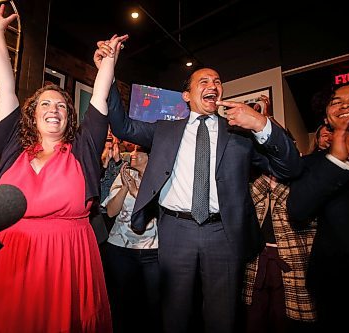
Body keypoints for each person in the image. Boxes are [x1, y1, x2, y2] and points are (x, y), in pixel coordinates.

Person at [95, 43, 302, 332]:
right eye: (203, 81)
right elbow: (123, 127)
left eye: (217, 81)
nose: (213, 85)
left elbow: (290, 168)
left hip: (224, 233)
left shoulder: (240, 134)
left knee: (222, 315)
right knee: (175, 313)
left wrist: (260, 123)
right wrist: (108, 70)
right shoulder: (165, 130)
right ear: (187, 95)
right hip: (176, 231)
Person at [0, 6, 128, 332]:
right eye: (46, 103)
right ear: (32, 113)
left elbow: (99, 97)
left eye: (61, 105)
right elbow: (6, 84)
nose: (54, 109)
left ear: (70, 117)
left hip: (68, 259)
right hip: (11, 259)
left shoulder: (83, 150)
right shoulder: (13, 144)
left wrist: (110, 60)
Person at [287, 80, 349, 332]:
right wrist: (336, 160)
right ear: (327, 117)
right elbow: (298, 210)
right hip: (338, 284)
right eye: (337, 102)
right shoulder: (313, 164)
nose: (346, 105)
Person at [243, 171, 317, 333]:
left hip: (291, 262)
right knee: (254, 317)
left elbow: (304, 212)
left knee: (284, 318)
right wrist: (266, 179)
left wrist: (278, 187)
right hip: (257, 261)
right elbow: (247, 202)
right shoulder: (253, 181)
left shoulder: (304, 183)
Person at [101, 145, 160, 333]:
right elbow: (111, 212)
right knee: (122, 304)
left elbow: (164, 213)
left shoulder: (161, 180)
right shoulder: (125, 175)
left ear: (151, 156)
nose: (132, 155)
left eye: (138, 151)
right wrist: (126, 187)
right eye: (132, 150)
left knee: (152, 306)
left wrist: (137, 192)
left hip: (154, 251)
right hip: (120, 249)